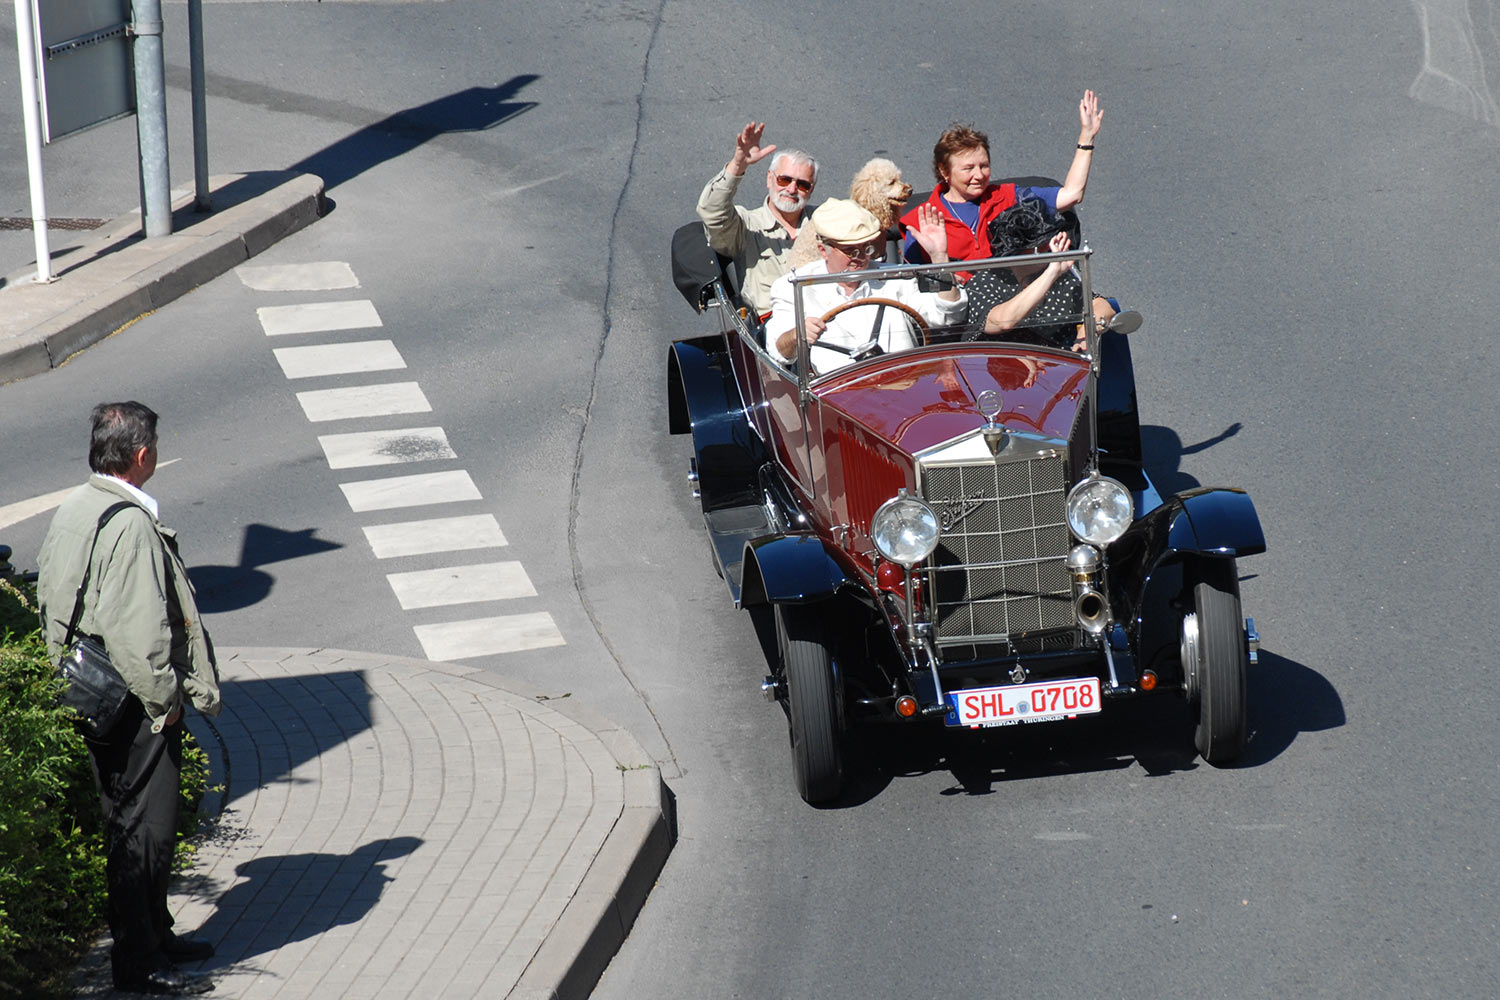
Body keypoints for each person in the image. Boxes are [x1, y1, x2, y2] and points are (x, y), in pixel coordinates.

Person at [37, 402, 221, 996]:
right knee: (148, 831)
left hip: (91, 693)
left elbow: (51, 596)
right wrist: (166, 700)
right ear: (142, 455)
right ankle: (140, 963)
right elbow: (139, 632)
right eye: (155, 447)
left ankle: (155, 934)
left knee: (126, 821)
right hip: (133, 702)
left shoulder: (77, 505)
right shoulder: (133, 524)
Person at [901, 90, 1105, 271]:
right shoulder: (921, 220)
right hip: (954, 299)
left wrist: (1086, 138)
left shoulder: (1008, 197)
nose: (979, 175)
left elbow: (1072, 194)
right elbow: (911, 284)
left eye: (984, 166)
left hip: (1015, 296)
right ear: (944, 171)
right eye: (968, 168)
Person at [768, 199, 967, 373]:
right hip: (835, 391)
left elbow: (947, 315)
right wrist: (798, 334)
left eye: (866, 248)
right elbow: (779, 352)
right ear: (823, 250)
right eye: (850, 251)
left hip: (903, 382)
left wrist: (939, 257)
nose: (861, 258)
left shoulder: (895, 277)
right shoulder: (794, 286)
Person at [964, 198, 1118, 351]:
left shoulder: (1062, 279)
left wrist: (1087, 331)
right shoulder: (984, 281)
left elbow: (1102, 306)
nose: (1049, 248)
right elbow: (1002, 322)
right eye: (1040, 246)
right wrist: (1051, 273)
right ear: (1015, 252)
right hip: (997, 362)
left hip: (1056, 362)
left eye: (1048, 241)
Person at [696, 121, 818, 312]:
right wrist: (737, 165)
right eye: (784, 180)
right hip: (772, 322)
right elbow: (711, 210)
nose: (792, 189)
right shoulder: (747, 224)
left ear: (811, 190)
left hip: (827, 317)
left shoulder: (825, 221)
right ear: (769, 178)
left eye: (802, 185)